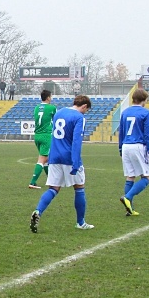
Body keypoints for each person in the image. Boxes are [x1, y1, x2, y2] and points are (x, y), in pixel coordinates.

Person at [30, 95, 93, 232]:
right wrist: (75, 163)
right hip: (69, 157)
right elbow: (77, 141)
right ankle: (80, 222)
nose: (85, 112)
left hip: (54, 156)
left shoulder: (59, 113)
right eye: (86, 110)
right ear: (83, 106)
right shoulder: (79, 118)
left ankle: (38, 211)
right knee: (79, 188)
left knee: (53, 188)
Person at [118, 88, 149, 216]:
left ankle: (130, 209)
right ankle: (127, 197)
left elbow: (121, 132)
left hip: (126, 145)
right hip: (138, 146)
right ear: (143, 100)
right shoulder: (146, 113)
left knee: (130, 176)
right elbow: (148, 134)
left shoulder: (125, 112)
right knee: (147, 177)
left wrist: (120, 148)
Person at [29, 90, 57, 188]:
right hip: (46, 135)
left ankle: (51, 180)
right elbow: (56, 119)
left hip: (37, 136)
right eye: (51, 96)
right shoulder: (52, 108)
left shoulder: (36, 108)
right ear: (48, 97)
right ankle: (32, 182)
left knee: (46, 158)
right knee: (42, 159)